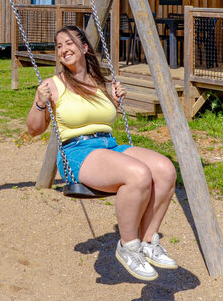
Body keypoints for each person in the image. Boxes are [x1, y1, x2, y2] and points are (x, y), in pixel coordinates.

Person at [26, 25, 178, 281]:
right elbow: (33, 129)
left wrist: (115, 103)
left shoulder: (100, 82)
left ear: (85, 47)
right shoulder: (52, 85)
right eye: (59, 46)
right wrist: (41, 102)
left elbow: (103, 120)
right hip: (77, 152)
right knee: (139, 174)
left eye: (69, 43)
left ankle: (148, 241)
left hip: (109, 145)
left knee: (165, 170)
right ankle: (128, 246)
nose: (64, 49)